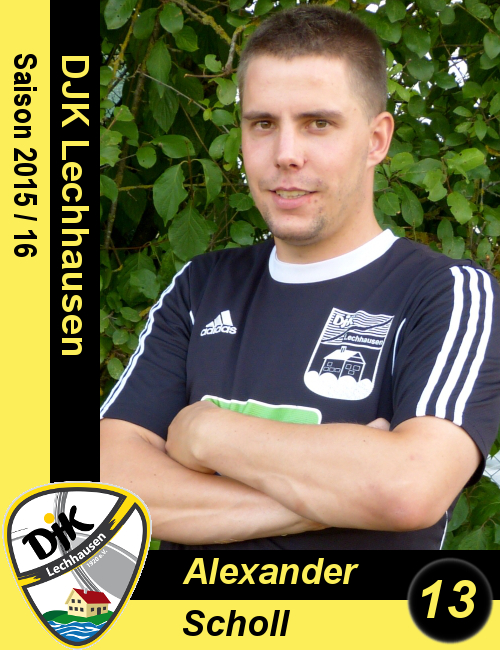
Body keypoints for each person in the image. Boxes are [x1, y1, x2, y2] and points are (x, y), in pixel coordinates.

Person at [100, 5, 500, 550]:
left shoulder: (445, 293)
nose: (286, 155)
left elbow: (409, 488)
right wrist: (332, 500)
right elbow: (108, 482)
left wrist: (207, 433)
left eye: (319, 123)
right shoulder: (201, 287)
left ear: (377, 140)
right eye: (263, 124)